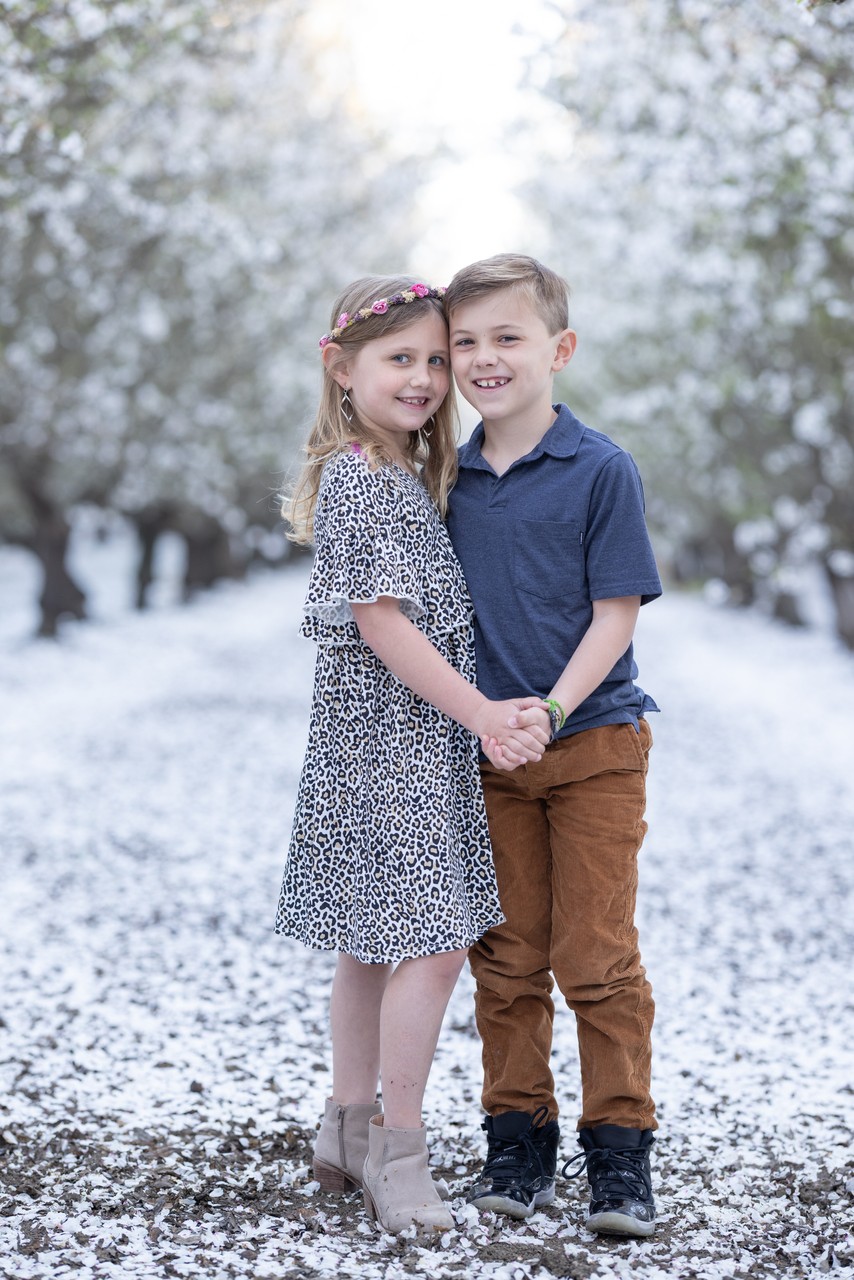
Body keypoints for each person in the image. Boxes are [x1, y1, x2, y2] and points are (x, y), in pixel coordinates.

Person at [274, 274, 550, 1236]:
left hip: (382, 741)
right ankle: (400, 1147)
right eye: (403, 358)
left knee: (368, 941)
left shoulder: (390, 471)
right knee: (431, 948)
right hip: (390, 740)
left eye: (437, 360)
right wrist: (480, 712)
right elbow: (383, 624)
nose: (428, 377)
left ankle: (347, 1126)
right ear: (342, 369)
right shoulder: (364, 478)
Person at [443, 254, 663, 1238]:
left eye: (507, 336)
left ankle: (618, 1154)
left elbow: (614, 612)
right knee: (507, 955)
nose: (485, 358)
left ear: (557, 349)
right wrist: (493, 719)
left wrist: (548, 710)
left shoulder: (599, 468)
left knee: (596, 956)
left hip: (592, 743)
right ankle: (515, 1137)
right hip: (488, 753)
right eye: (466, 342)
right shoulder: (439, 476)